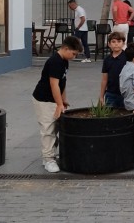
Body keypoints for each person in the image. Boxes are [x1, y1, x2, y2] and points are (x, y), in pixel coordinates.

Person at [32, 35, 83, 173]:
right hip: (44, 99)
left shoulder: (64, 61)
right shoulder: (55, 61)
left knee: (55, 127)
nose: (74, 56)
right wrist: (59, 104)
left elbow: (62, 83)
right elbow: (54, 84)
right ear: (66, 49)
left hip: (54, 99)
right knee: (48, 128)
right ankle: (48, 159)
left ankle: (50, 155)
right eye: (73, 53)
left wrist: (63, 100)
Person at [98, 32, 128, 108]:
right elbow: (104, 79)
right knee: (110, 117)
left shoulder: (127, 58)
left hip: (125, 94)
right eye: (113, 42)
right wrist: (101, 96)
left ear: (123, 43)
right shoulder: (107, 60)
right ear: (109, 44)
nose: (116, 44)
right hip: (110, 94)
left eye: (119, 41)